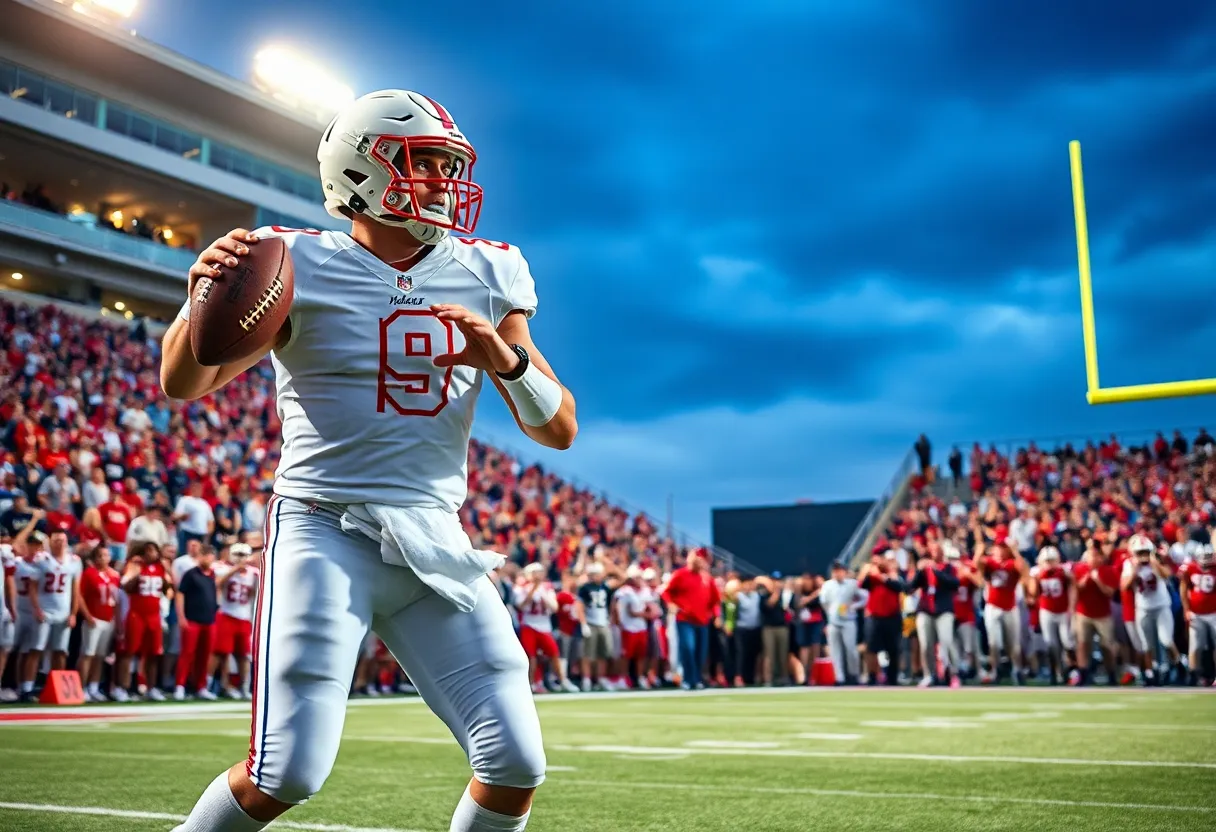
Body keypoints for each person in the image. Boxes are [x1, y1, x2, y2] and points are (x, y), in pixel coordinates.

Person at [167, 89, 577, 832]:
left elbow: (559, 430)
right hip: (324, 527)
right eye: (424, 165)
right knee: (285, 771)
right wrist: (202, 295)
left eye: (449, 166)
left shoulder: (489, 269)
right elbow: (184, 383)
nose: (443, 184)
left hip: (432, 536)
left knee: (515, 761)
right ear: (359, 171)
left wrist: (507, 362)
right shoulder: (290, 260)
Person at [820, 560, 868, 685]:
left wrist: (854, 606)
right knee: (835, 651)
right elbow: (824, 603)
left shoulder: (852, 584)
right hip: (833, 621)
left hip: (848, 621)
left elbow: (864, 597)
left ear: (844, 572)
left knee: (851, 649)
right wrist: (829, 616)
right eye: (835, 571)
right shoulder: (827, 585)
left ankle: (854, 674)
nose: (837, 574)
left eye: (840, 571)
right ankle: (839, 677)